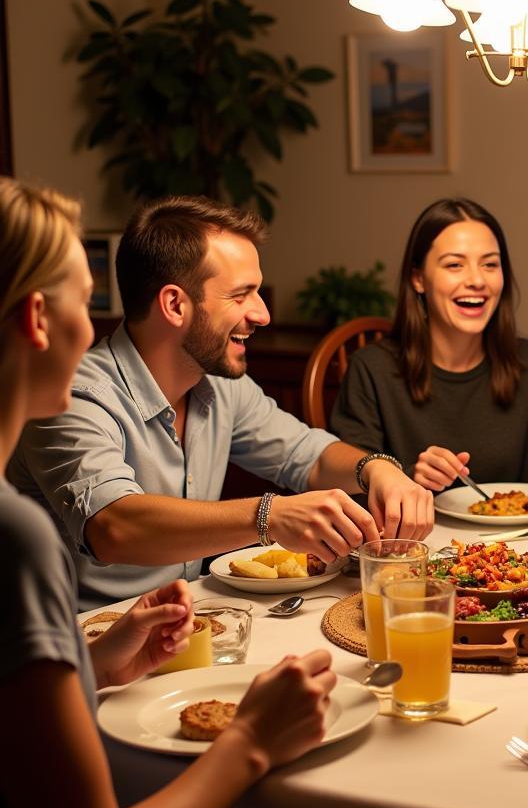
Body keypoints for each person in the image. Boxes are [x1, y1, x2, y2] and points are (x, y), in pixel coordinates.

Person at [0, 177, 339, 808]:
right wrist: (252, 741)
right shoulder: (14, 538)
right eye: (83, 308)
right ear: (35, 320)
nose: (96, 336)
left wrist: (100, 664)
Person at [9, 195, 433, 606]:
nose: (263, 314)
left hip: (189, 623)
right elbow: (114, 526)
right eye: (240, 295)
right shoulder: (73, 395)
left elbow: (309, 456)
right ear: (175, 304)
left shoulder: (217, 380)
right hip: (91, 644)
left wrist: (375, 468)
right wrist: (271, 516)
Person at [330, 198, 528, 497]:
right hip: (412, 543)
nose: (476, 280)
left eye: (490, 264)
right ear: (418, 278)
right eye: (455, 265)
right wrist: (405, 476)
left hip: (512, 543)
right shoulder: (371, 369)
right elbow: (345, 483)